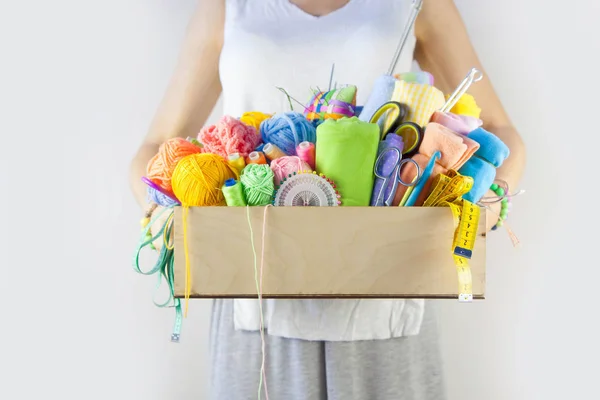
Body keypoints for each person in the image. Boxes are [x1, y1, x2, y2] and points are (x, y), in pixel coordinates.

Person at [130, 0, 526, 398]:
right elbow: (155, 145)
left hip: (386, 308)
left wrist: (490, 202)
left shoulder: (417, 4)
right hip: (255, 312)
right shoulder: (228, 7)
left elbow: (500, 129)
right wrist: (158, 208)